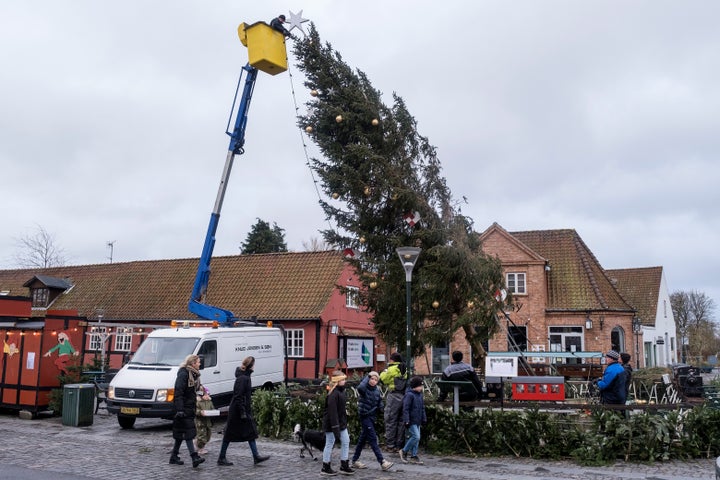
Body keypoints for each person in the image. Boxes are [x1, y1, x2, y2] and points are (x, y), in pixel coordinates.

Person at [217, 356, 269, 466]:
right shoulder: (243, 379)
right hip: (237, 411)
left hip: (242, 410)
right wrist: (242, 412)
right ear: (251, 366)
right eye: (254, 364)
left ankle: (256, 456)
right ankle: (221, 457)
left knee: (250, 433)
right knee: (229, 434)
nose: (255, 366)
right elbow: (238, 396)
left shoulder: (245, 377)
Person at [350, 371, 394, 472]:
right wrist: (368, 376)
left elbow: (379, 402)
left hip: (371, 416)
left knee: (362, 439)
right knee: (373, 439)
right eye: (372, 379)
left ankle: (355, 460)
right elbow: (360, 388)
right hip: (364, 415)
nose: (373, 381)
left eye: (375, 379)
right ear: (368, 379)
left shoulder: (377, 390)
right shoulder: (364, 389)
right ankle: (382, 462)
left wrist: (382, 408)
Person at [170, 354, 205, 468]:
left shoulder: (194, 375)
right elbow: (178, 392)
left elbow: (193, 390)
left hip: (189, 408)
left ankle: (174, 456)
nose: (200, 364)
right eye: (198, 362)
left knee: (181, 433)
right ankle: (194, 457)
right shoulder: (183, 374)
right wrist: (179, 409)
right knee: (189, 433)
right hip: (183, 409)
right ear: (193, 363)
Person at [321, 370, 353, 476]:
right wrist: (335, 427)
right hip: (332, 423)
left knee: (346, 441)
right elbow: (332, 413)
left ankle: (344, 465)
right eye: (342, 379)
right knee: (330, 443)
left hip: (341, 422)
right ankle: (325, 466)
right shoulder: (333, 395)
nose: (344, 381)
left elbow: (340, 409)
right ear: (337, 381)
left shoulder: (341, 392)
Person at [379, 352, 407, 453]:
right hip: (403, 395)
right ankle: (399, 445)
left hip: (394, 395)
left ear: (392, 360)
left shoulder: (391, 369)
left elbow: (382, 379)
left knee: (390, 420)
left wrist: (384, 371)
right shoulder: (405, 368)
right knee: (401, 421)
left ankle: (390, 445)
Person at [399, 376, 426, 465]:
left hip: (417, 420)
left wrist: (424, 418)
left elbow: (422, 408)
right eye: (420, 386)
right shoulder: (409, 395)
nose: (421, 388)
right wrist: (406, 420)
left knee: (417, 438)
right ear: (415, 386)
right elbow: (405, 409)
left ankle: (413, 455)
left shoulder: (420, 395)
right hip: (411, 420)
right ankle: (404, 451)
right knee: (416, 436)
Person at [194, 386, 214, 455]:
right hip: (200, 422)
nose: (207, 396)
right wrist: (200, 412)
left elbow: (212, 408)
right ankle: (200, 449)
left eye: (208, 394)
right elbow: (195, 411)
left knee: (208, 436)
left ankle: (197, 443)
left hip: (208, 422)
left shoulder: (209, 402)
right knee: (202, 436)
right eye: (206, 394)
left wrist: (214, 412)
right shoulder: (198, 402)